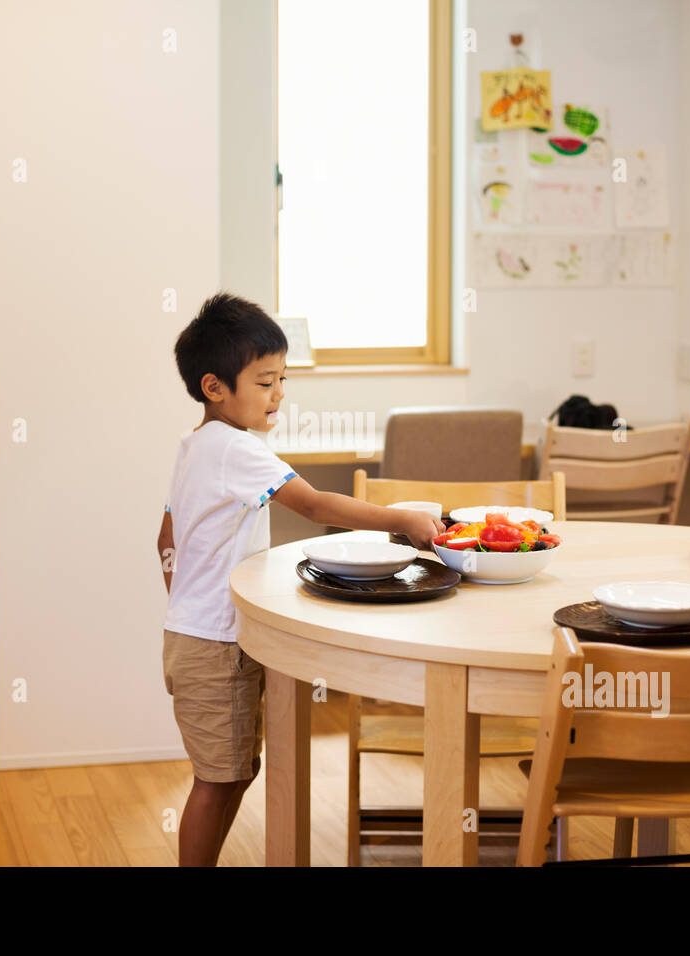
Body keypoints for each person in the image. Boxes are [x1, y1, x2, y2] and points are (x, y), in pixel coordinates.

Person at [158, 291, 443, 866]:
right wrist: (400, 519)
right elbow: (313, 506)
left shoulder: (195, 447)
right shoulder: (237, 449)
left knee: (230, 773)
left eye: (282, 379)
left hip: (192, 635)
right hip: (214, 645)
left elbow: (165, 540)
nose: (279, 394)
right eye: (265, 383)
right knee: (218, 781)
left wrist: (190, 599)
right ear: (216, 387)